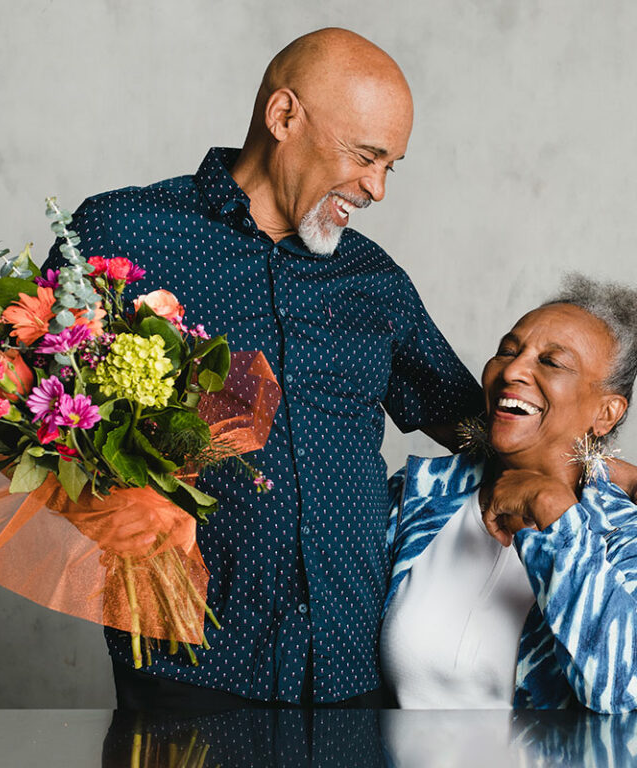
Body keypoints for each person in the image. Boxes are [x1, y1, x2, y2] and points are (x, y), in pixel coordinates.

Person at [44, 27, 485, 708]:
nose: (377, 188)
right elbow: (40, 414)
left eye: (391, 165)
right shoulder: (120, 235)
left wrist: (598, 471)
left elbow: (481, 430)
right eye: (367, 156)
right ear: (283, 117)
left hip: (352, 673)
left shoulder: (374, 279)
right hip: (186, 670)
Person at [381, 275, 637, 713]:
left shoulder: (621, 533)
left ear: (606, 412)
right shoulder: (417, 498)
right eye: (508, 350)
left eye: (552, 362)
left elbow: (620, 690)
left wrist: (554, 513)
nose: (513, 371)